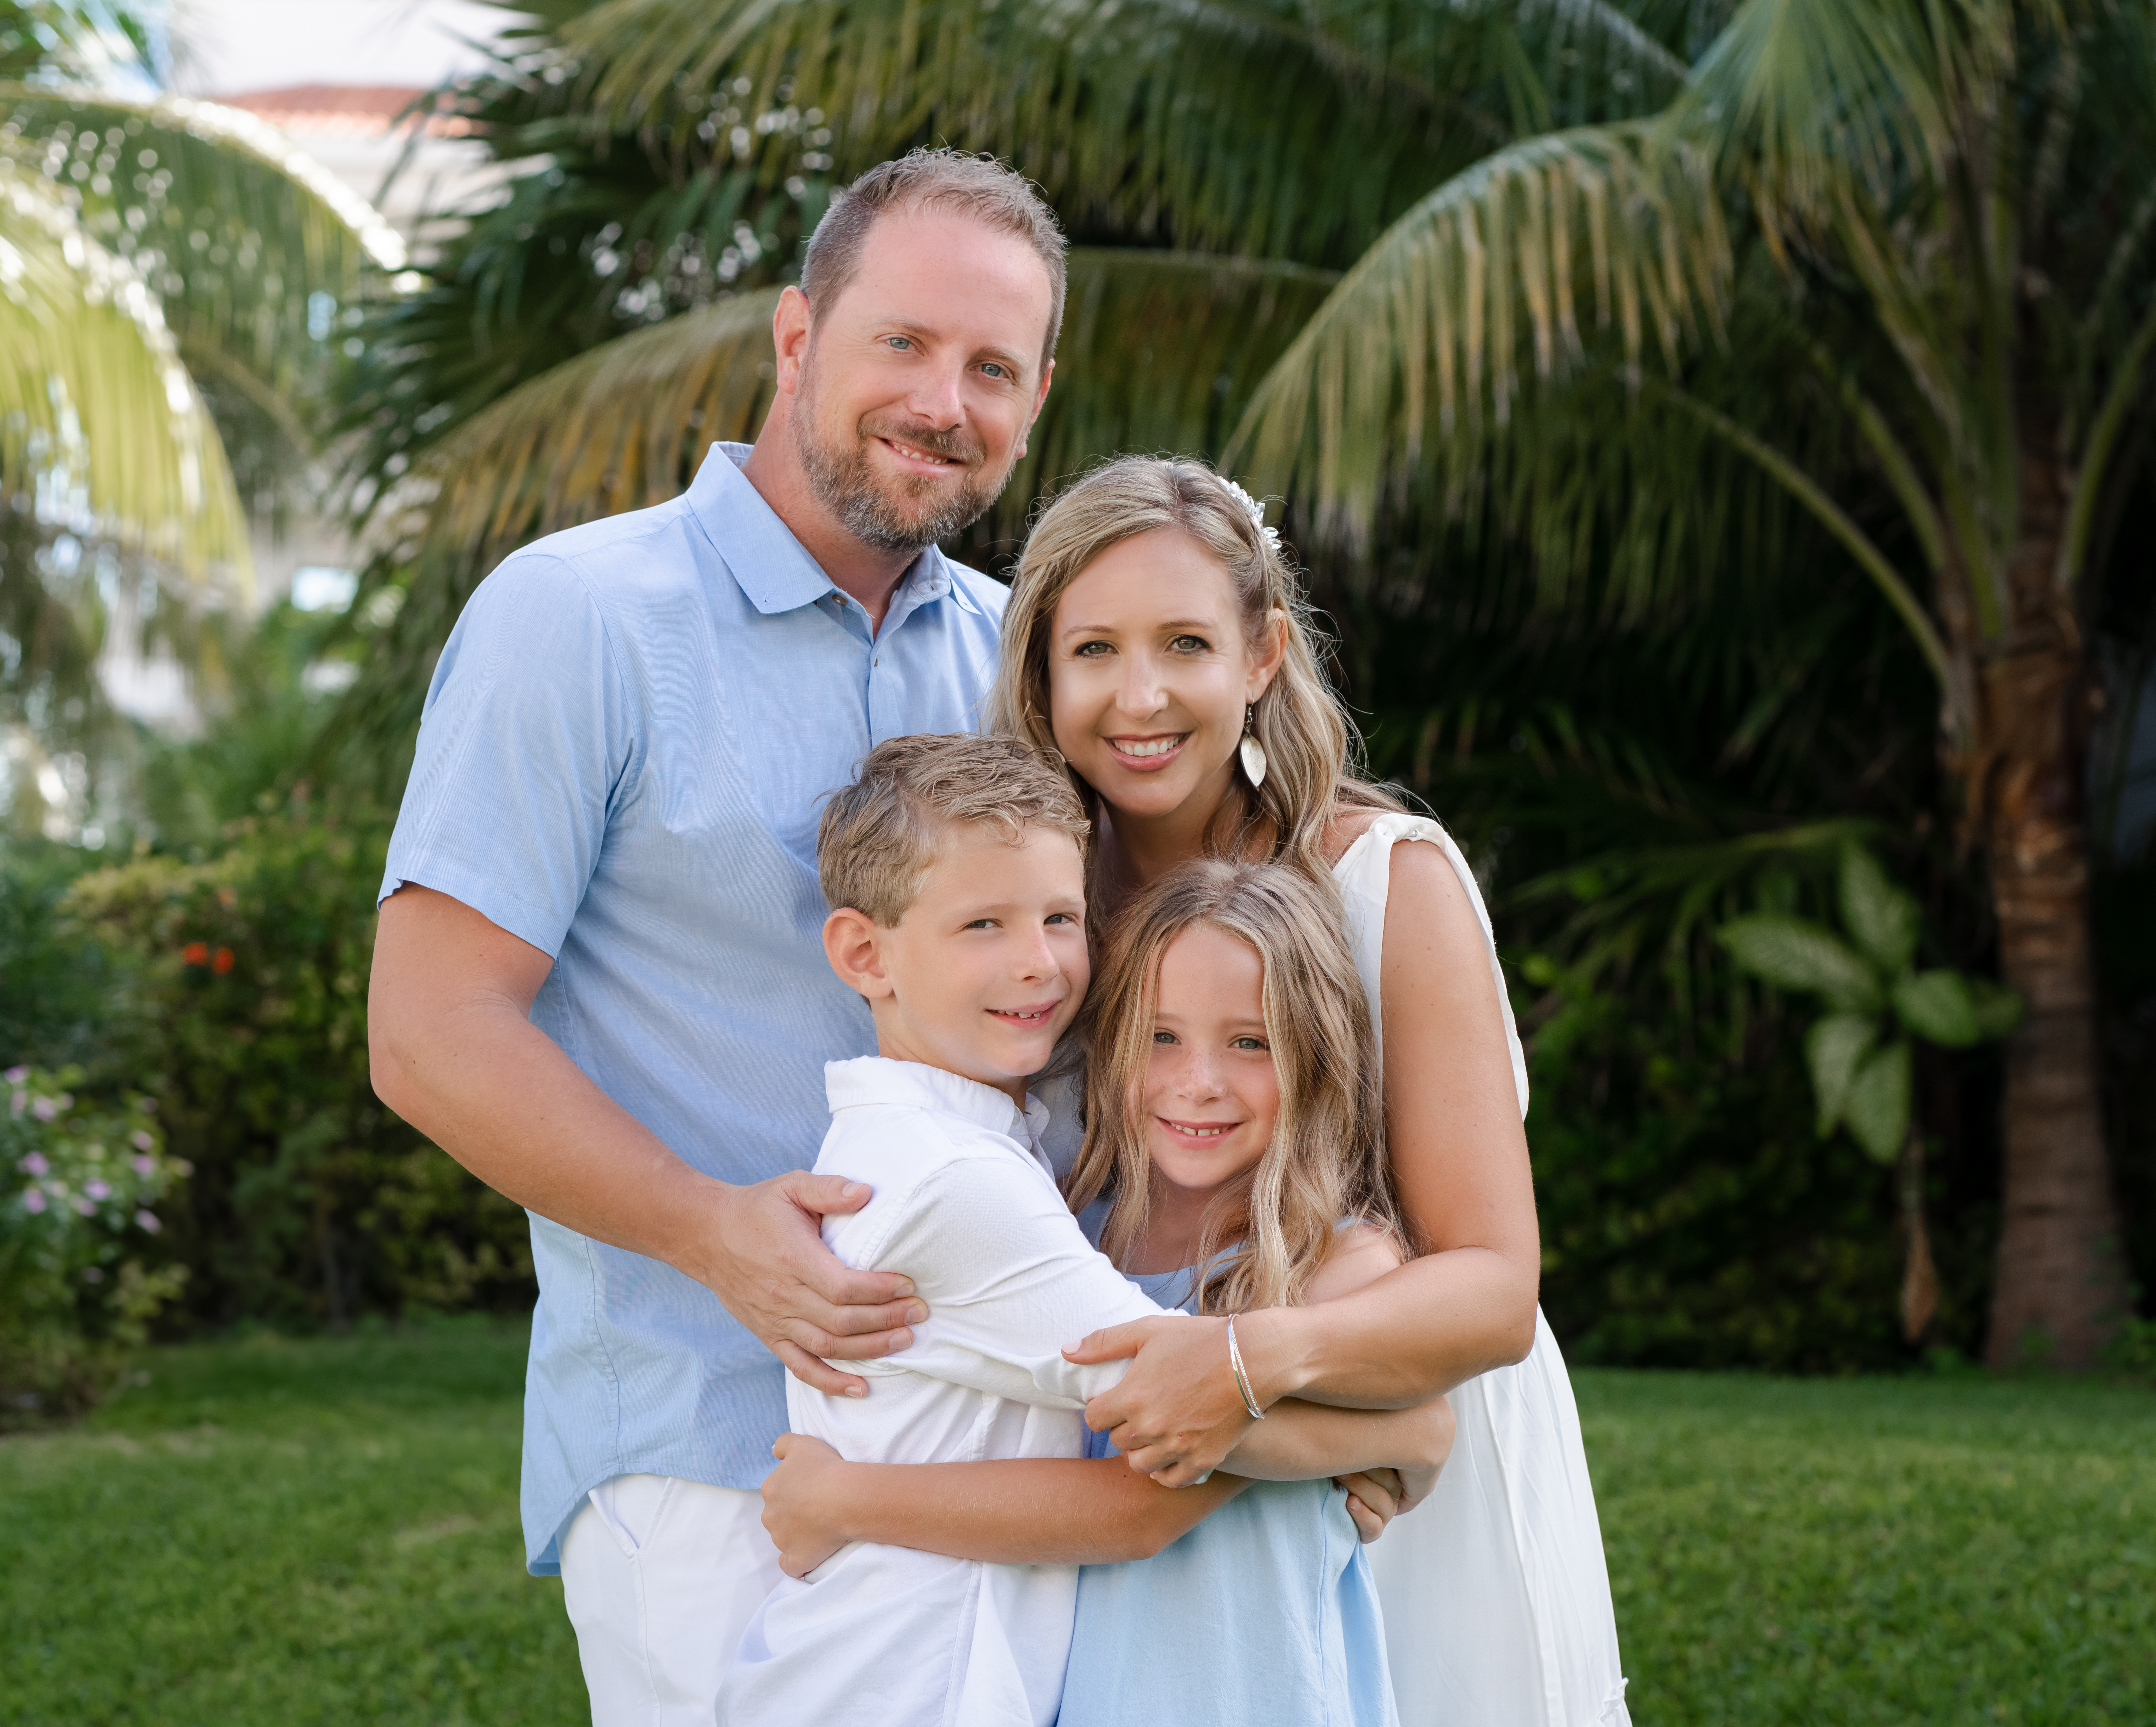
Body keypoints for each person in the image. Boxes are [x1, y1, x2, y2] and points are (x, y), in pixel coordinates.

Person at [364, 149, 1069, 1726]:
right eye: (903, 342)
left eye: (992, 369)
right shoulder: (579, 615)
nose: (943, 400)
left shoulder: (1025, 658)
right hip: (710, 1455)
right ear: (797, 339)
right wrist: (710, 1231)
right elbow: (426, 1031)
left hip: (1007, 1452)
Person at [987, 456, 1633, 1726]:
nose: (1140, 696)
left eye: (1185, 643)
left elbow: (1494, 1285)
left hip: (1389, 1461)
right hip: (1151, 1502)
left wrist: (1248, 1366)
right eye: (1095, 650)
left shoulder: (1386, 883)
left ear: (1265, 653)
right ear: (1040, 675)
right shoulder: (1041, 915)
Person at [723, 739, 1449, 1727]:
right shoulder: (963, 1182)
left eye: (1061, 920)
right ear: (864, 954)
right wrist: (1408, 1430)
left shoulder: (985, 1162)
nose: (1036, 963)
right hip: (896, 1684)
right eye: (983, 923)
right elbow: (1163, 1453)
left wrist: (849, 1497)